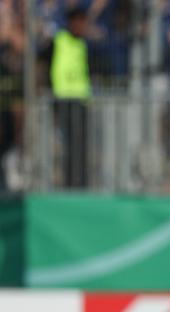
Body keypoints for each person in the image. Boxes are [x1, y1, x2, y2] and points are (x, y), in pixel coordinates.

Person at [50, 7, 91, 188]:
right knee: (67, 146)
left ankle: (79, 183)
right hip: (63, 100)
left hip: (80, 100)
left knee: (81, 146)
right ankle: (68, 184)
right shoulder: (59, 40)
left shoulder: (83, 43)